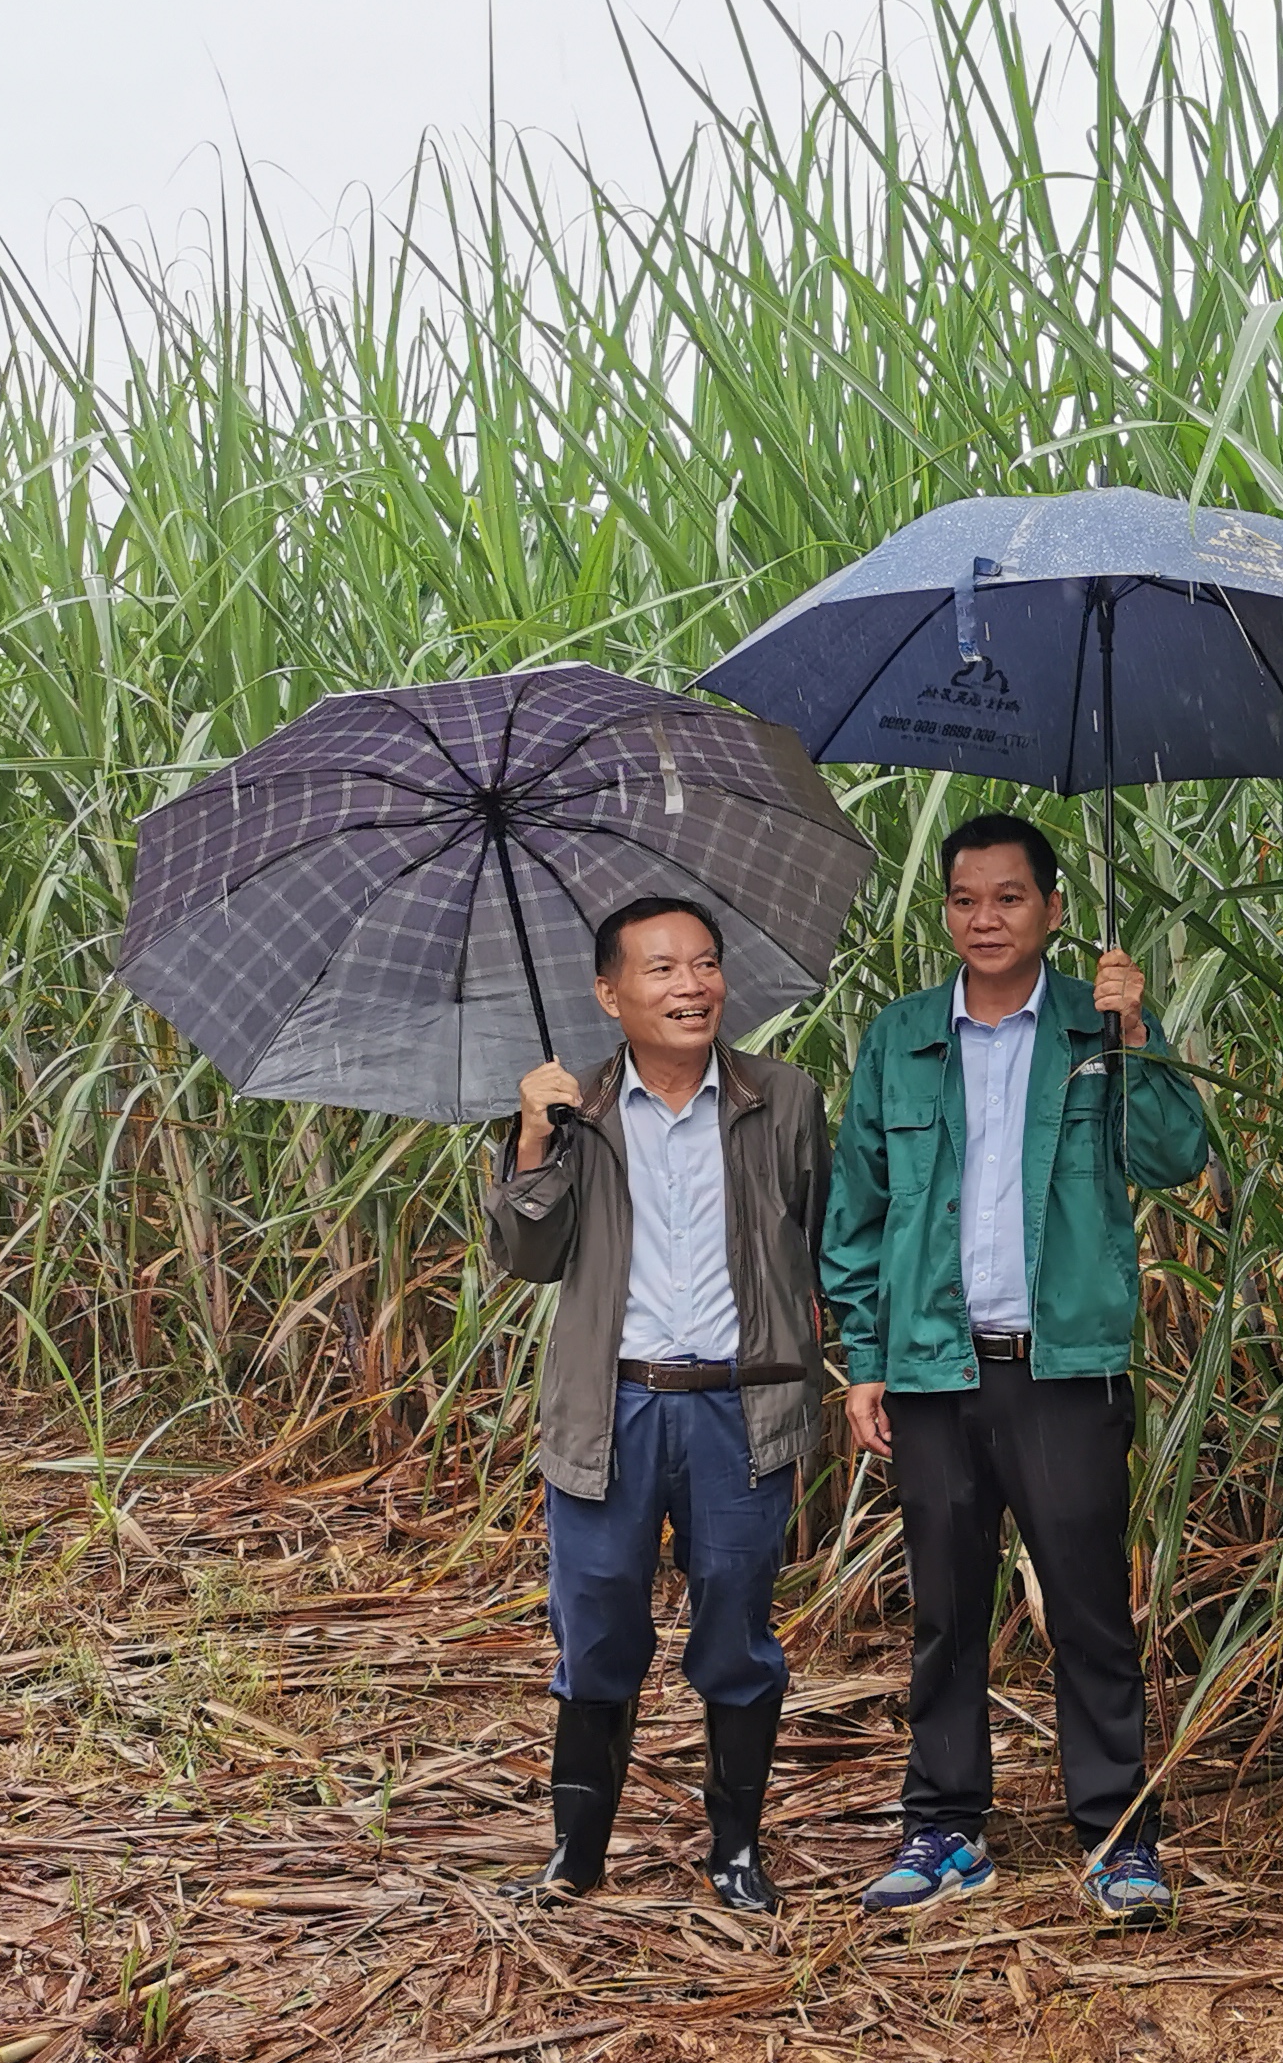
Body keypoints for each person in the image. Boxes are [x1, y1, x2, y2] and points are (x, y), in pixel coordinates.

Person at [822, 811, 1211, 1924]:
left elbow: (1178, 1158)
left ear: (1049, 909)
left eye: (1006, 897)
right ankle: (944, 1827)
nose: (982, 918)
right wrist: (865, 1358)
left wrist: (1139, 1033)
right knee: (946, 1605)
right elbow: (856, 1211)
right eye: (962, 899)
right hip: (934, 1372)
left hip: (1062, 1371)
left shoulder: (1095, 1025)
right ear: (944, 912)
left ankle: (1120, 1836)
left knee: (1089, 1603)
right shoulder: (900, 1037)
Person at [480, 895, 830, 1916]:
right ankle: (575, 1858)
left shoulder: (785, 1098)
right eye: (663, 969)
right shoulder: (572, 1111)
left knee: (737, 1627)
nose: (691, 986)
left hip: (738, 1409)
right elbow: (529, 1257)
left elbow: (819, 1235)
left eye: (705, 965)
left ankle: (735, 1855)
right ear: (609, 993)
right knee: (595, 1630)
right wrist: (536, 1140)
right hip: (611, 1410)